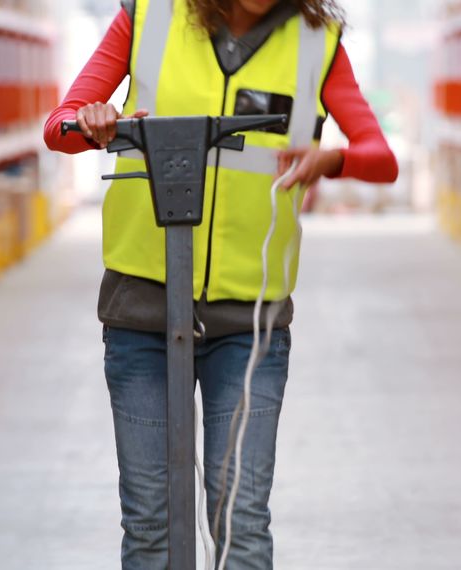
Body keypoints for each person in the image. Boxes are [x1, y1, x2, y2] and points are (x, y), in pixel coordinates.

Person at [44, 0, 397, 567]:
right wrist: (91, 122)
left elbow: (380, 158)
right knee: (149, 525)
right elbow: (58, 127)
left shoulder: (316, 41)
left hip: (249, 322)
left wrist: (331, 160)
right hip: (142, 310)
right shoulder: (147, 17)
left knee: (242, 525)